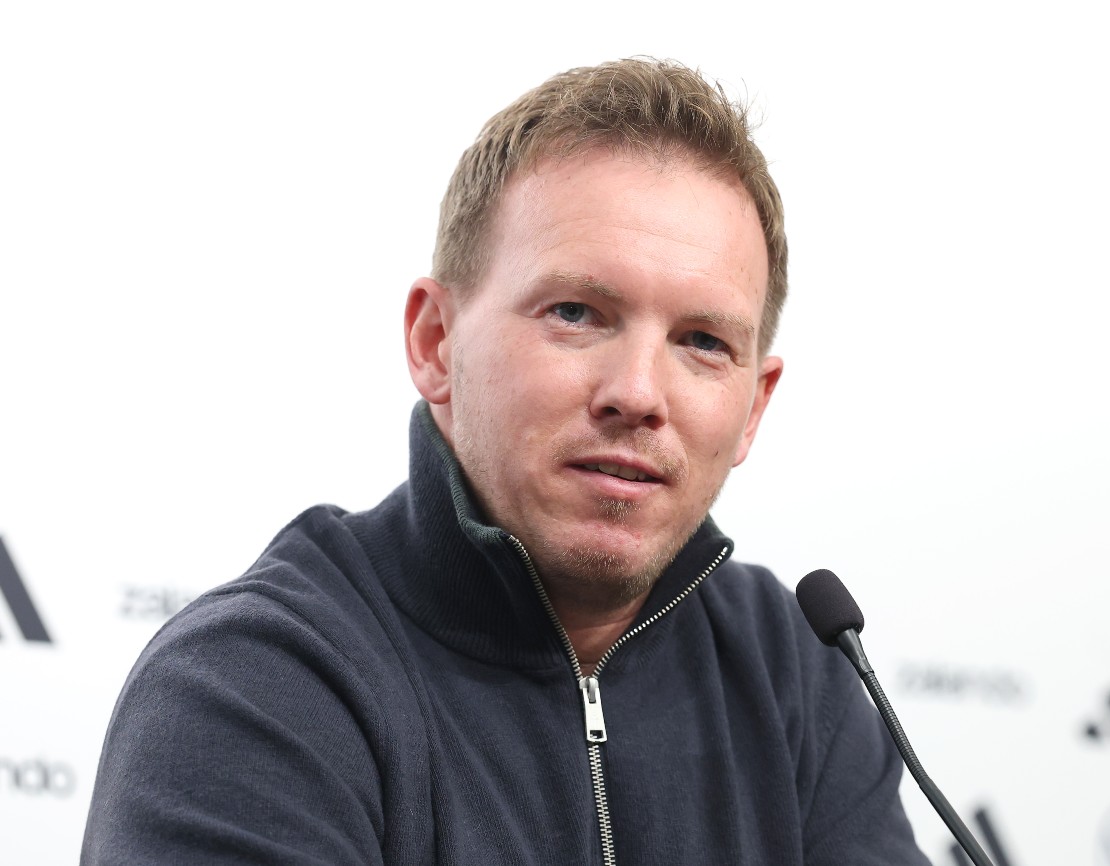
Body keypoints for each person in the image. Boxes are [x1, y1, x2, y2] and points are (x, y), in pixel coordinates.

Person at [82, 58, 931, 865]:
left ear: (754, 404)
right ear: (435, 341)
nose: (638, 392)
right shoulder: (256, 685)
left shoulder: (795, 672)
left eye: (702, 342)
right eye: (576, 312)